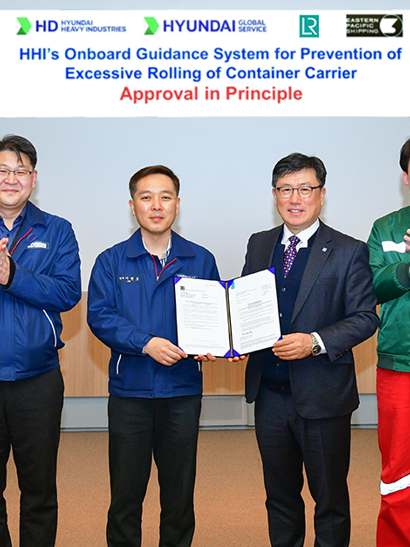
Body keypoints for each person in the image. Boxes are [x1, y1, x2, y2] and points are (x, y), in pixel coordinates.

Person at [242, 153, 379, 547]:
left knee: (330, 500)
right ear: (274, 195)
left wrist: (314, 343)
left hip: (322, 397)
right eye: (286, 190)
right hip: (269, 394)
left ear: (321, 195)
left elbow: (365, 318)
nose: (295, 198)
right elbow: (247, 304)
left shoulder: (348, 250)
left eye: (305, 189)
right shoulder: (260, 243)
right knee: (280, 498)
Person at [87, 165, 219, 547]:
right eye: (146, 197)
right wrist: (146, 342)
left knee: (178, 497)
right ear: (133, 206)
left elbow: (212, 315)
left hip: (182, 393)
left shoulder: (200, 259)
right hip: (130, 394)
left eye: (165, 197)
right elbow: (99, 316)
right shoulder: (111, 261)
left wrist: (215, 343)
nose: (156, 206)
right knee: (126, 497)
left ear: (178, 205)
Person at [0, 134, 81, 547]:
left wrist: (12, 275)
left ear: (34, 179)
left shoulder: (58, 230)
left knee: (39, 492)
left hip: (38, 381)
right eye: (3, 170)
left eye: (20, 171)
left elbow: (67, 293)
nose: (11, 179)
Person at [367, 137, 410, 547]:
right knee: (399, 471)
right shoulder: (387, 227)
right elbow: (370, 289)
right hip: (401, 366)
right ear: (406, 175)